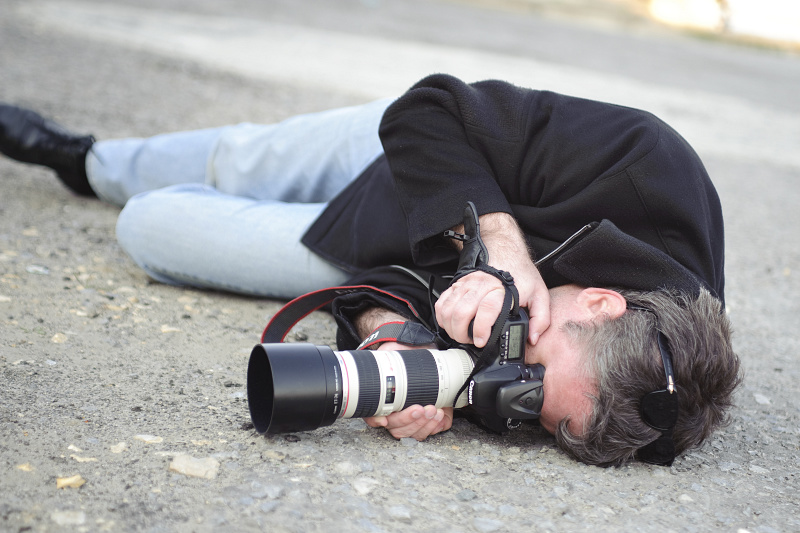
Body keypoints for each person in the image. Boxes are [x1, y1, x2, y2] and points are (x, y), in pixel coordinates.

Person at [0, 73, 741, 467]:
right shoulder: (648, 165)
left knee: (153, 228)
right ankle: (85, 159)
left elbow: (385, 298)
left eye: (533, 407)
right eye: (535, 356)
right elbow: (433, 109)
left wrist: (393, 340)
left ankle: (122, 184)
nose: (514, 372)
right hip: (421, 157)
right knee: (241, 159)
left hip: (373, 250)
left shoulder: (641, 419)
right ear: (604, 302)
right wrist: (501, 243)